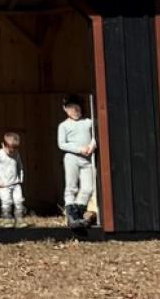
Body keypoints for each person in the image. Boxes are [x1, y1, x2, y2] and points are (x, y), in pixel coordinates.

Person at [58, 94, 96, 229]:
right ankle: (71, 213)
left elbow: (96, 136)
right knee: (71, 186)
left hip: (87, 159)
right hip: (72, 158)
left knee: (88, 187)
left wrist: (91, 146)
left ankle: (79, 211)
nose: (74, 111)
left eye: (77, 108)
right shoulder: (64, 126)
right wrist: (79, 149)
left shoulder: (88, 122)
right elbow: (62, 144)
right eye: (71, 108)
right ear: (65, 109)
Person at [0, 132, 29, 228]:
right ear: (3, 145)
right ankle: (7, 220)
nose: (12, 152)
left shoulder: (16, 154)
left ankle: (19, 220)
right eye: (10, 150)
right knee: (6, 202)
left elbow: (20, 165)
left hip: (16, 183)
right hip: (4, 185)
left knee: (19, 201)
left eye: (14, 149)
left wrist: (21, 176)